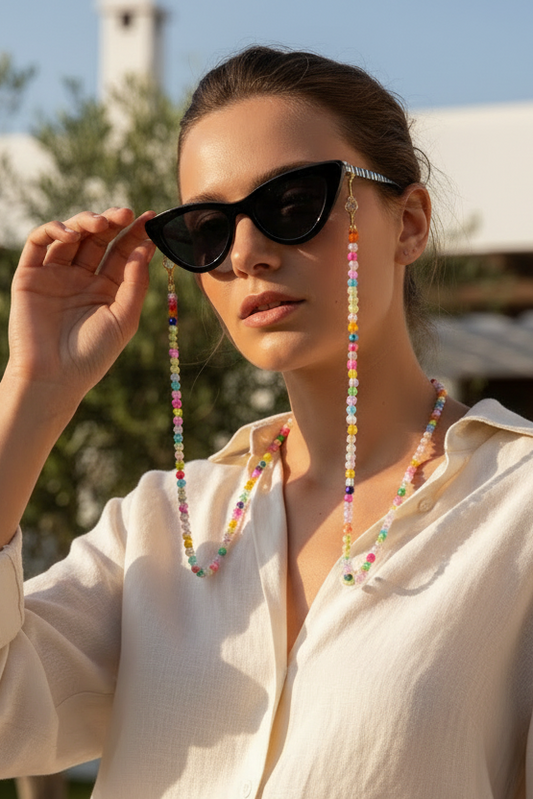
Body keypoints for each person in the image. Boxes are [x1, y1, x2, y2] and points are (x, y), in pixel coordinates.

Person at [1, 45, 533, 799]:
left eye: (291, 205)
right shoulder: (160, 528)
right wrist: (33, 392)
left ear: (408, 223)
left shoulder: (515, 508)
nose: (247, 253)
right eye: (207, 229)